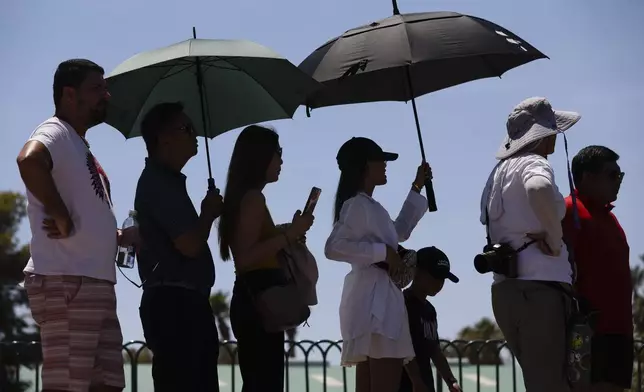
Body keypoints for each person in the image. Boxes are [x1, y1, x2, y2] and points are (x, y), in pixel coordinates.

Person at [16, 59, 136, 392]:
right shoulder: (54, 131)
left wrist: (116, 236)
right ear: (70, 95)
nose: (106, 96)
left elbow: (84, 211)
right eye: (97, 89)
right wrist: (60, 216)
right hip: (68, 283)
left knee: (106, 384)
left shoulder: (77, 143)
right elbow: (29, 159)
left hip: (92, 283)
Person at [479, 97, 581, 392]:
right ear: (543, 133)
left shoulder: (496, 173)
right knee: (551, 385)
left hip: (505, 291)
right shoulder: (535, 163)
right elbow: (539, 187)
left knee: (538, 380)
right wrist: (554, 239)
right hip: (540, 291)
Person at [325, 137, 431, 392]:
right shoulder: (358, 205)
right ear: (364, 166)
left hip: (374, 305)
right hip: (377, 309)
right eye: (379, 160)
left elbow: (397, 233)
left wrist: (416, 187)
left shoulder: (365, 205)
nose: (385, 164)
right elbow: (333, 248)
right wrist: (383, 252)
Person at [134, 102, 223, 392]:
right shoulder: (159, 183)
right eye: (186, 128)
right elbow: (188, 244)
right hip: (175, 306)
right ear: (164, 138)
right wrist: (208, 214)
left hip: (181, 303)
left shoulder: (167, 182)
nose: (194, 135)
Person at [218, 125, 314, 392]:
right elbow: (246, 258)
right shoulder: (253, 199)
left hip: (255, 299)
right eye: (277, 152)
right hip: (258, 298)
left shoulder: (246, 198)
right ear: (260, 157)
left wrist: (286, 232)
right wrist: (288, 235)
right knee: (264, 383)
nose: (281, 160)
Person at [563, 146, 632, 392]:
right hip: (591, 332)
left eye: (620, 176)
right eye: (613, 175)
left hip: (620, 330)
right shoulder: (569, 210)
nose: (619, 182)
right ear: (587, 177)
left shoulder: (610, 217)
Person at [398, 246, 461, 392]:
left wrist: (451, 382)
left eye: (443, 278)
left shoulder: (430, 310)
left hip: (424, 383)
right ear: (417, 272)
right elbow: (401, 346)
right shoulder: (402, 304)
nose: (439, 283)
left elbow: (434, 350)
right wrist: (416, 381)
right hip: (404, 384)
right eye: (435, 276)